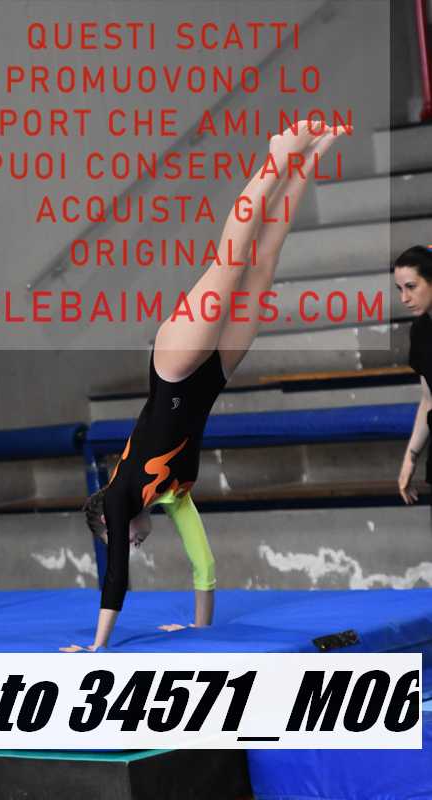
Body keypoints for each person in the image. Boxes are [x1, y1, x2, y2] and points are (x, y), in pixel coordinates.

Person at [61, 120, 349, 652]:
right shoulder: (174, 494)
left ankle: (278, 154)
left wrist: (99, 647)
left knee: (230, 265)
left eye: (121, 539)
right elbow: (205, 564)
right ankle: (306, 163)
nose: (132, 544)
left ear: (107, 521)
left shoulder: (120, 496)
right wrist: (200, 632)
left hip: (173, 368)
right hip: (214, 375)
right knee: (262, 267)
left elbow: (116, 577)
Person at [394, 245, 432, 505]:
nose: (404, 298)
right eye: (400, 289)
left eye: (411, 287)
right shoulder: (420, 331)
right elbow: (429, 399)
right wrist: (411, 457)